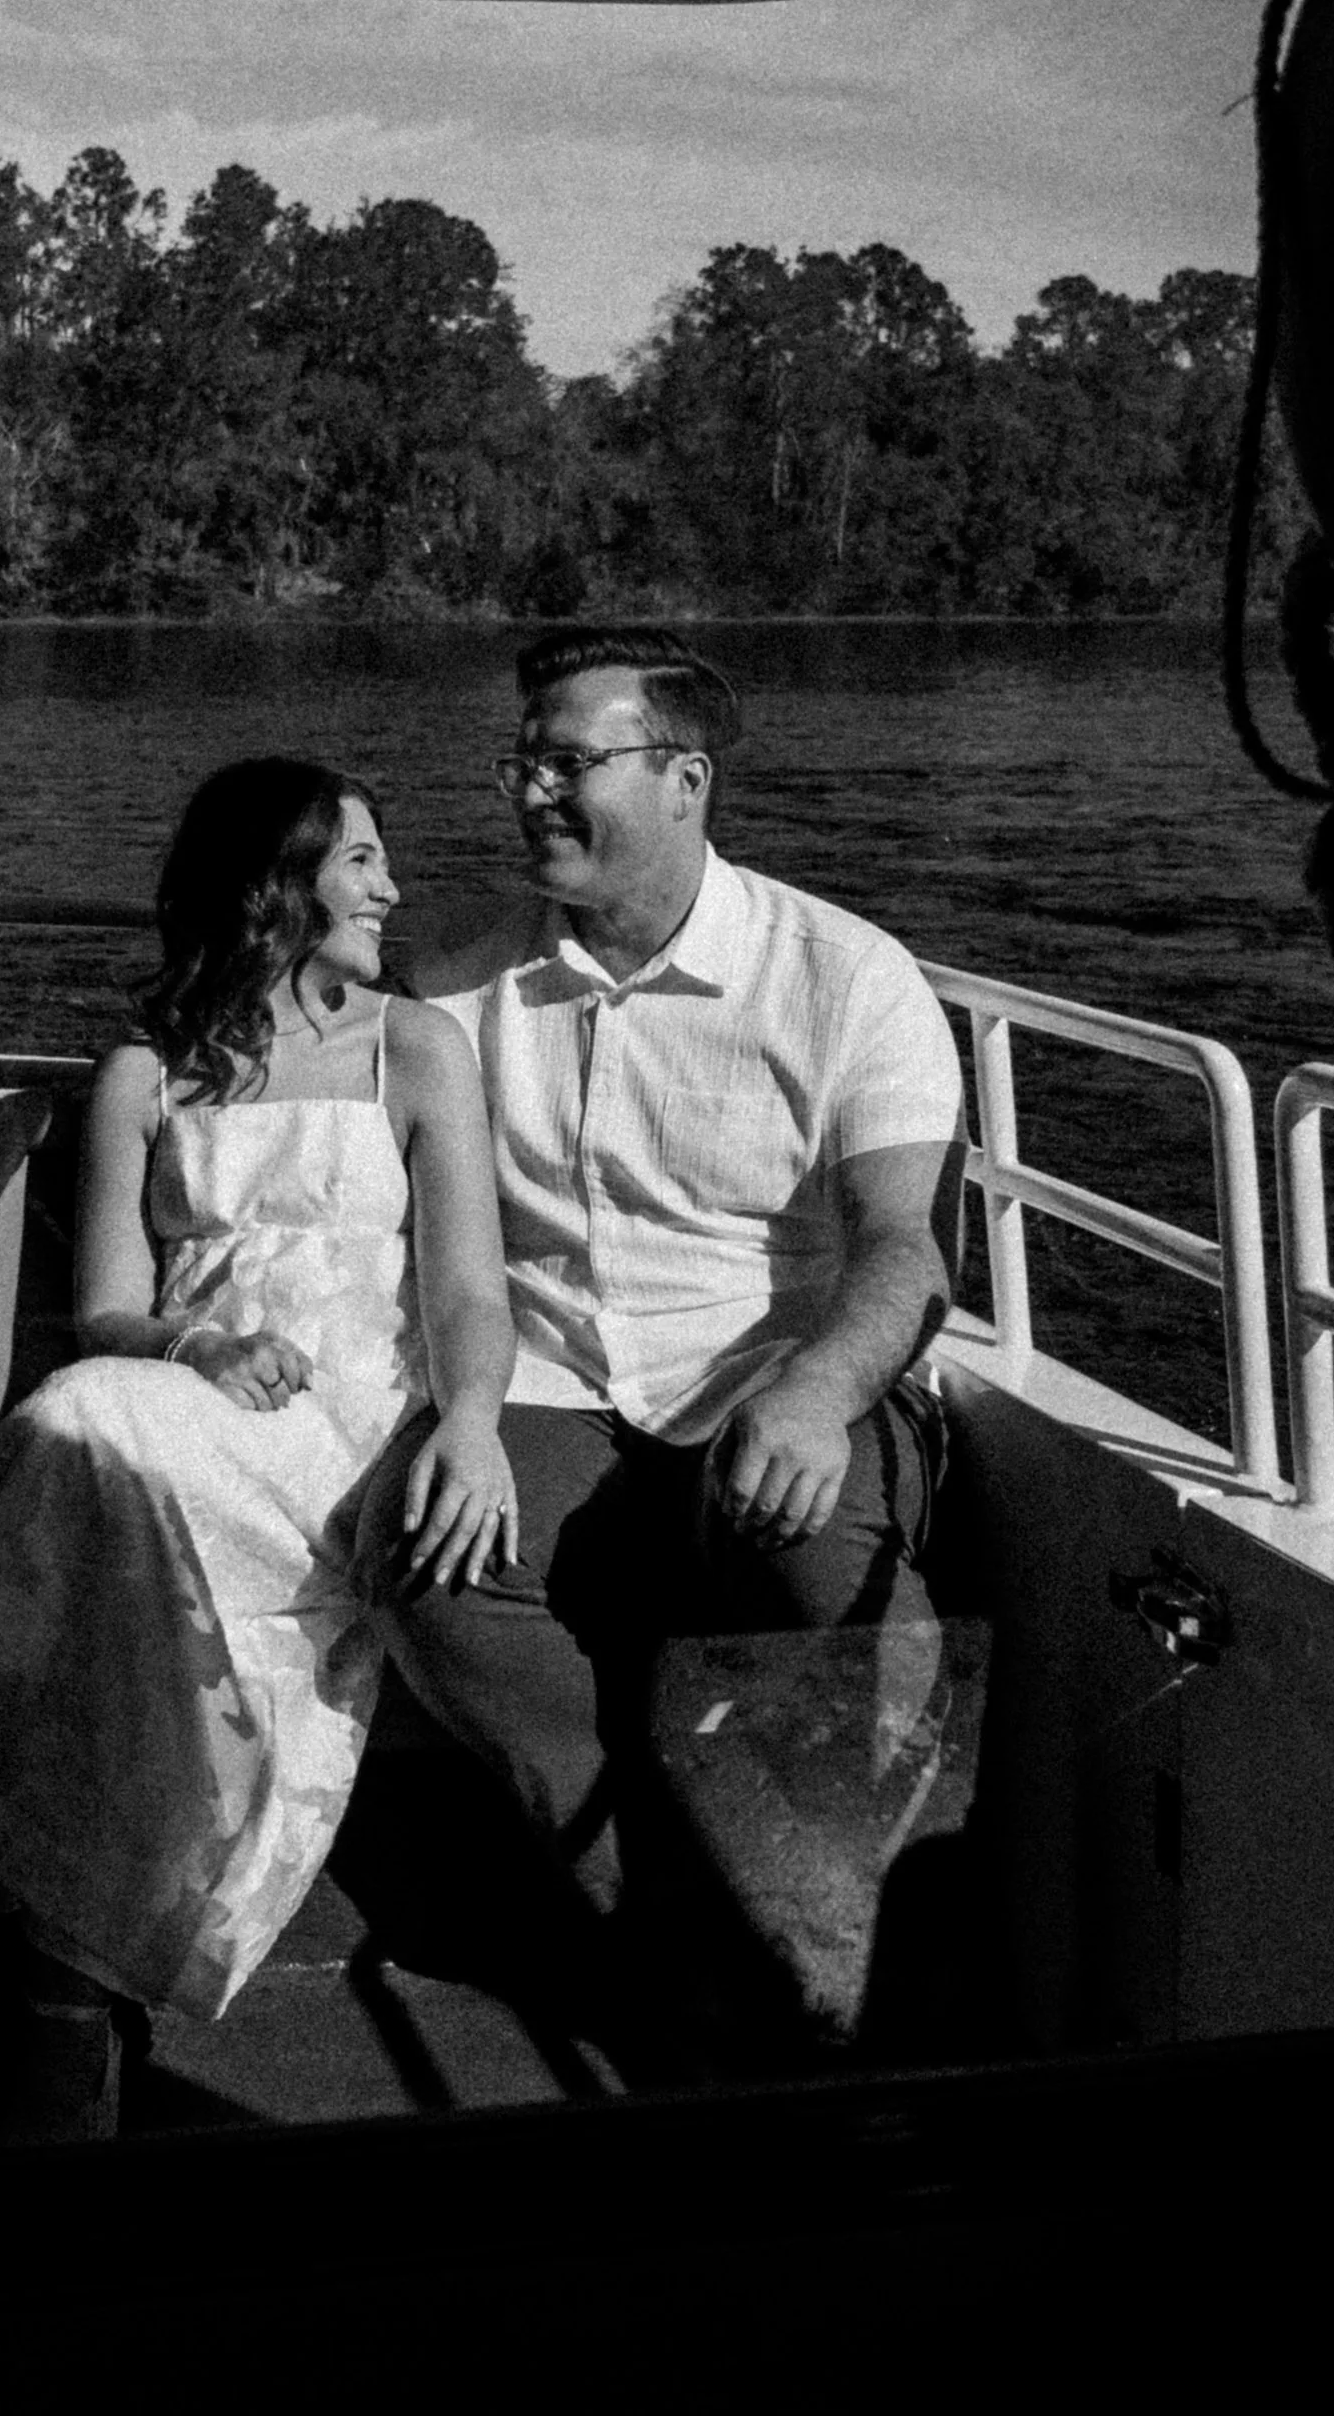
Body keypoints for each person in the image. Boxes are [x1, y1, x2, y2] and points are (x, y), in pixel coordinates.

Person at [0, 759, 518, 2143]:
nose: (391, 887)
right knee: (97, 1441)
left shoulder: (418, 1047)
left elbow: (464, 1292)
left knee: (75, 1430)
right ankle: (61, 2006)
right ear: (279, 883)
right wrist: (194, 1348)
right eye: (364, 859)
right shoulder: (147, 1070)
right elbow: (105, 1306)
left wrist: (473, 1422)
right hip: (179, 1397)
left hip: (332, 1434)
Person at [350, 627, 965, 2033]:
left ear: (686, 779)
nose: (529, 793)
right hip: (554, 1377)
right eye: (521, 762)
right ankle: (654, 1897)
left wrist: (815, 1392)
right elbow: (263, 1030)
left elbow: (903, 1246)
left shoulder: (844, 975)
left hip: (773, 1381)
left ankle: (879, 1962)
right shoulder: (452, 965)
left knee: (832, 1581)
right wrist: (48, 1111)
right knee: (422, 1557)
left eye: (570, 762)